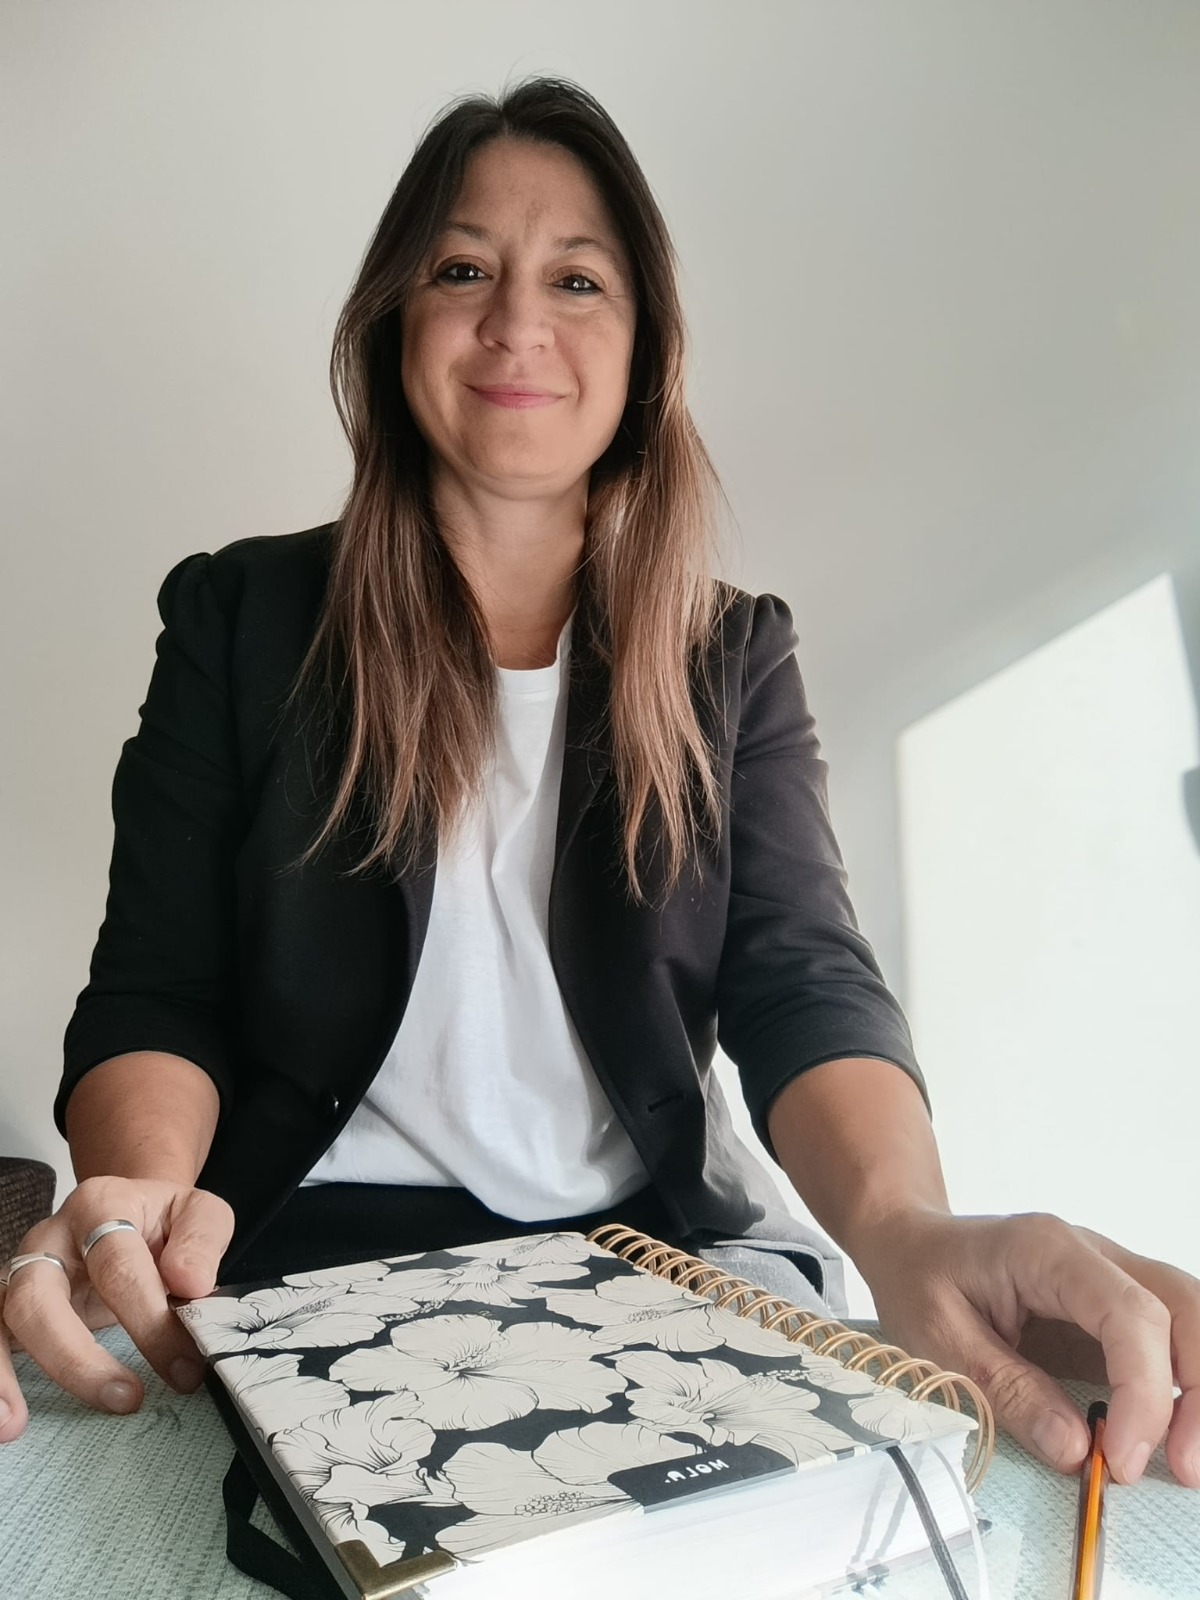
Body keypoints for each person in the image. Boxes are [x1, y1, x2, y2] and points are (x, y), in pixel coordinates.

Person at [1, 79, 1197, 1497]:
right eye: (462, 270)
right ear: (392, 323)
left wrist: (905, 1230)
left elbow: (803, 981)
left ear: (645, 352)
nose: (518, 323)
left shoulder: (731, 653)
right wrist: (141, 1188)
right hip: (304, 1252)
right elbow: (160, 990)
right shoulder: (239, 619)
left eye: (578, 280)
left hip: (651, 1253)